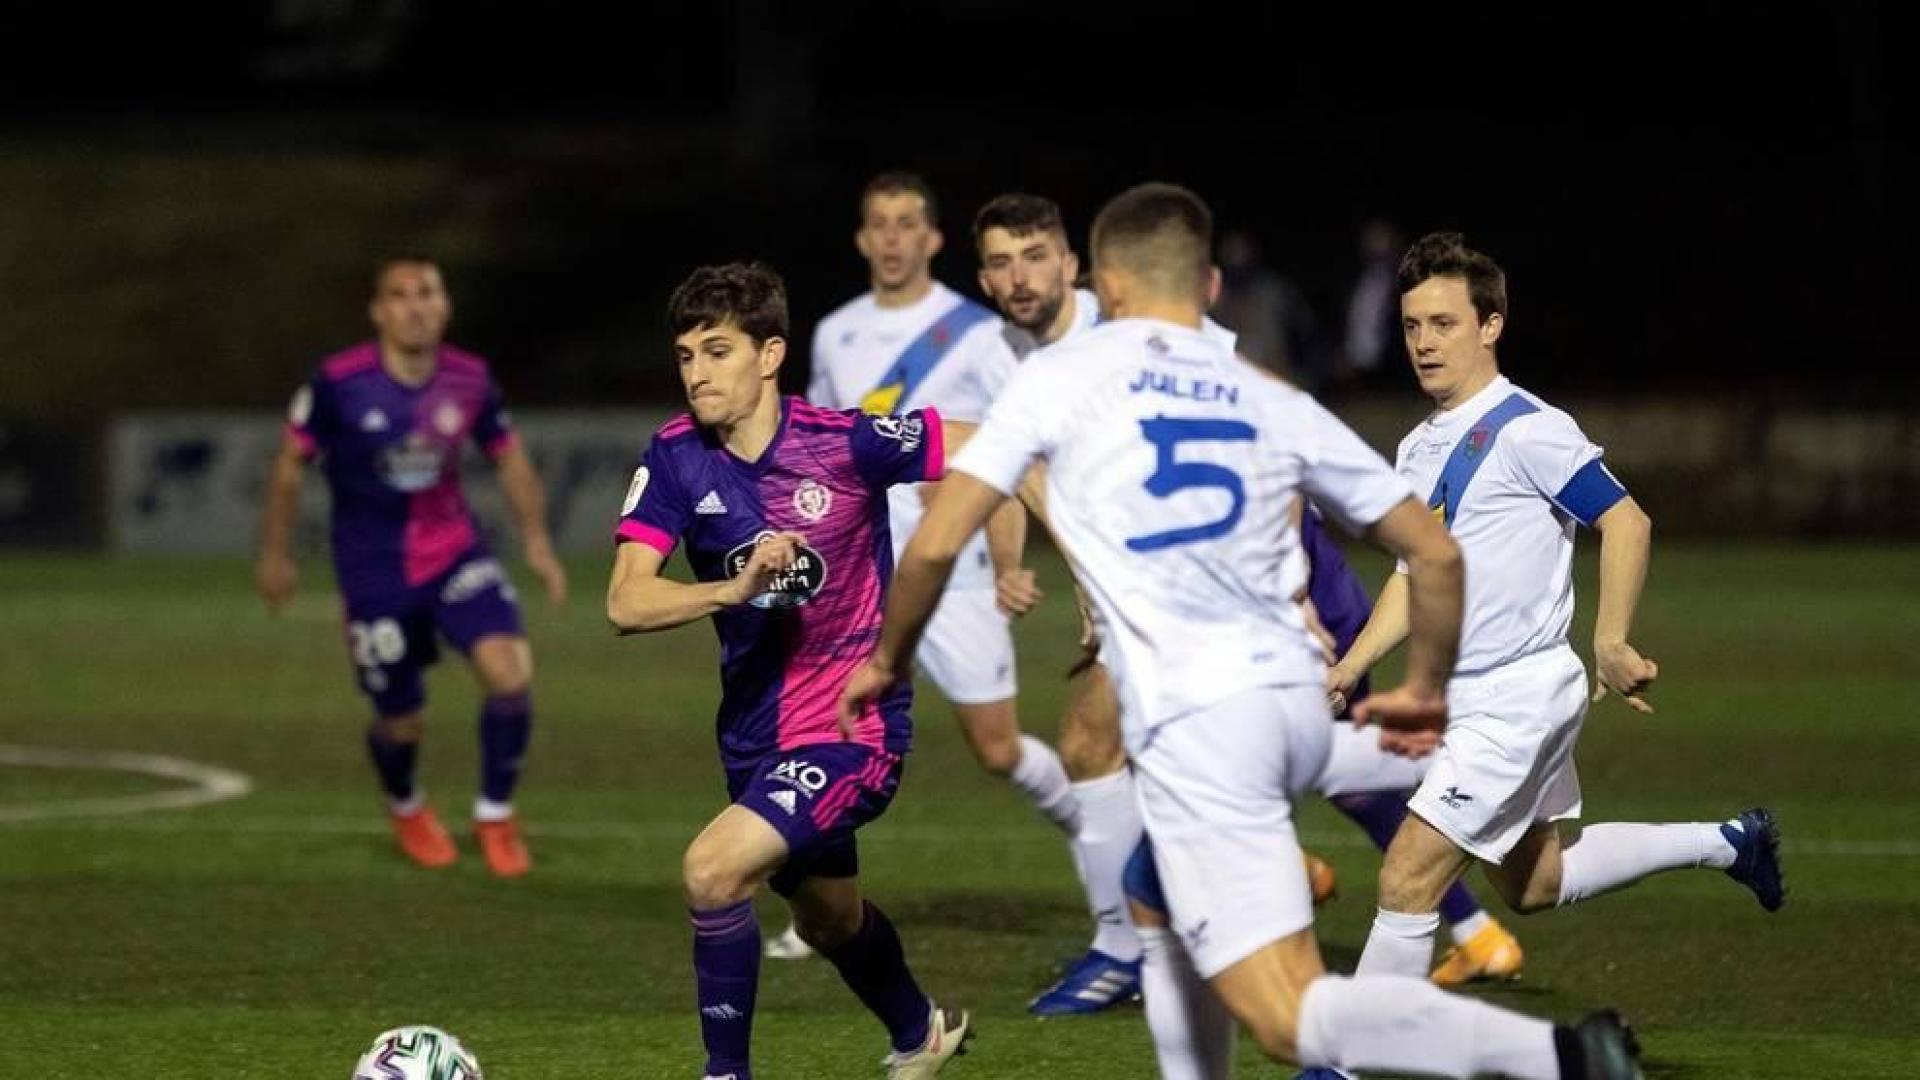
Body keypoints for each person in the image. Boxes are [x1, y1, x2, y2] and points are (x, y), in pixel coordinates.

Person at [842, 184, 1644, 1079]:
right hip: (1292, 702)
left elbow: (933, 545)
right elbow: (1432, 551)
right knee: (1152, 894)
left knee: (1290, 1016)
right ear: (1212, 284)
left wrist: (885, 659)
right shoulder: (1265, 392)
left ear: (1101, 283)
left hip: (1201, 725)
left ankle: (1563, 1056)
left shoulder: (1055, 377)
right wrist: (1418, 688)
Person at [1336, 231, 1784, 995]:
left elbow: (1625, 520)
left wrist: (1610, 636)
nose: (1424, 343)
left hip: (1517, 697)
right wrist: (1348, 665)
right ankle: (1729, 843)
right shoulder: (1415, 448)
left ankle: (1343, 1057)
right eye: (1412, 326)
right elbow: (1415, 578)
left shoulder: (1528, 428)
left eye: (1444, 324)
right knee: (1534, 883)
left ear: (1490, 325)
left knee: (1409, 871)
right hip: (1464, 698)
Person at [606, 262, 969, 1080]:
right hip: (752, 735)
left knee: (712, 870)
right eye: (686, 355)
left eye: (718, 351)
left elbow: (996, 450)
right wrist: (734, 588)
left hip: (852, 729)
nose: (697, 371)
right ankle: (920, 1032)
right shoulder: (672, 459)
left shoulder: (846, 443)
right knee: (832, 919)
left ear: (769, 356)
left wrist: (1049, 546)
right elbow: (626, 603)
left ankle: (724, 1074)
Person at [777, 171, 1044, 949]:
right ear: (863, 239)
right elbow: (820, 450)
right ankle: (818, 906)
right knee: (826, 728)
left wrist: (1004, 561)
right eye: (879, 224)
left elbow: (1012, 450)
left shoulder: (978, 332)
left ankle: (1102, 823)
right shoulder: (833, 333)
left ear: (931, 239)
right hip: (856, 571)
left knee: (996, 746)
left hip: (949, 568)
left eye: (907, 224)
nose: (893, 237)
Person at [255, 255, 565, 878]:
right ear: (379, 311)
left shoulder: (471, 378)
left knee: (509, 673)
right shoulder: (339, 382)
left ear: (445, 306)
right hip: (375, 571)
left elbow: (509, 459)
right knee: (402, 721)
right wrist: (275, 553)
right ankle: (406, 805)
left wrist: (536, 541)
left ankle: (495, 814)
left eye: (427, 292)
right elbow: (290, 466)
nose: (415, 305)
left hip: (456, 553)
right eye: (400, 295)